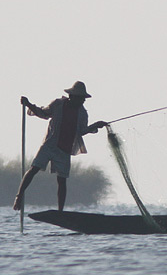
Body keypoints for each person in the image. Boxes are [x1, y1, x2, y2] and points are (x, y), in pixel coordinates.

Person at [13, 81, 107, 211]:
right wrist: (28, 104)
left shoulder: (82, 113)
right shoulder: (58, 104)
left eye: (83, 99)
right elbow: (43, 113)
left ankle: (60, 211)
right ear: (72, 96)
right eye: (80, 98)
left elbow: (81, 131)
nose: (82, 101)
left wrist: (95, 126)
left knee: (62, 181)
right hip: (49, 145)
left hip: (65, 149)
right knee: (34, 169)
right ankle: (19, 197)